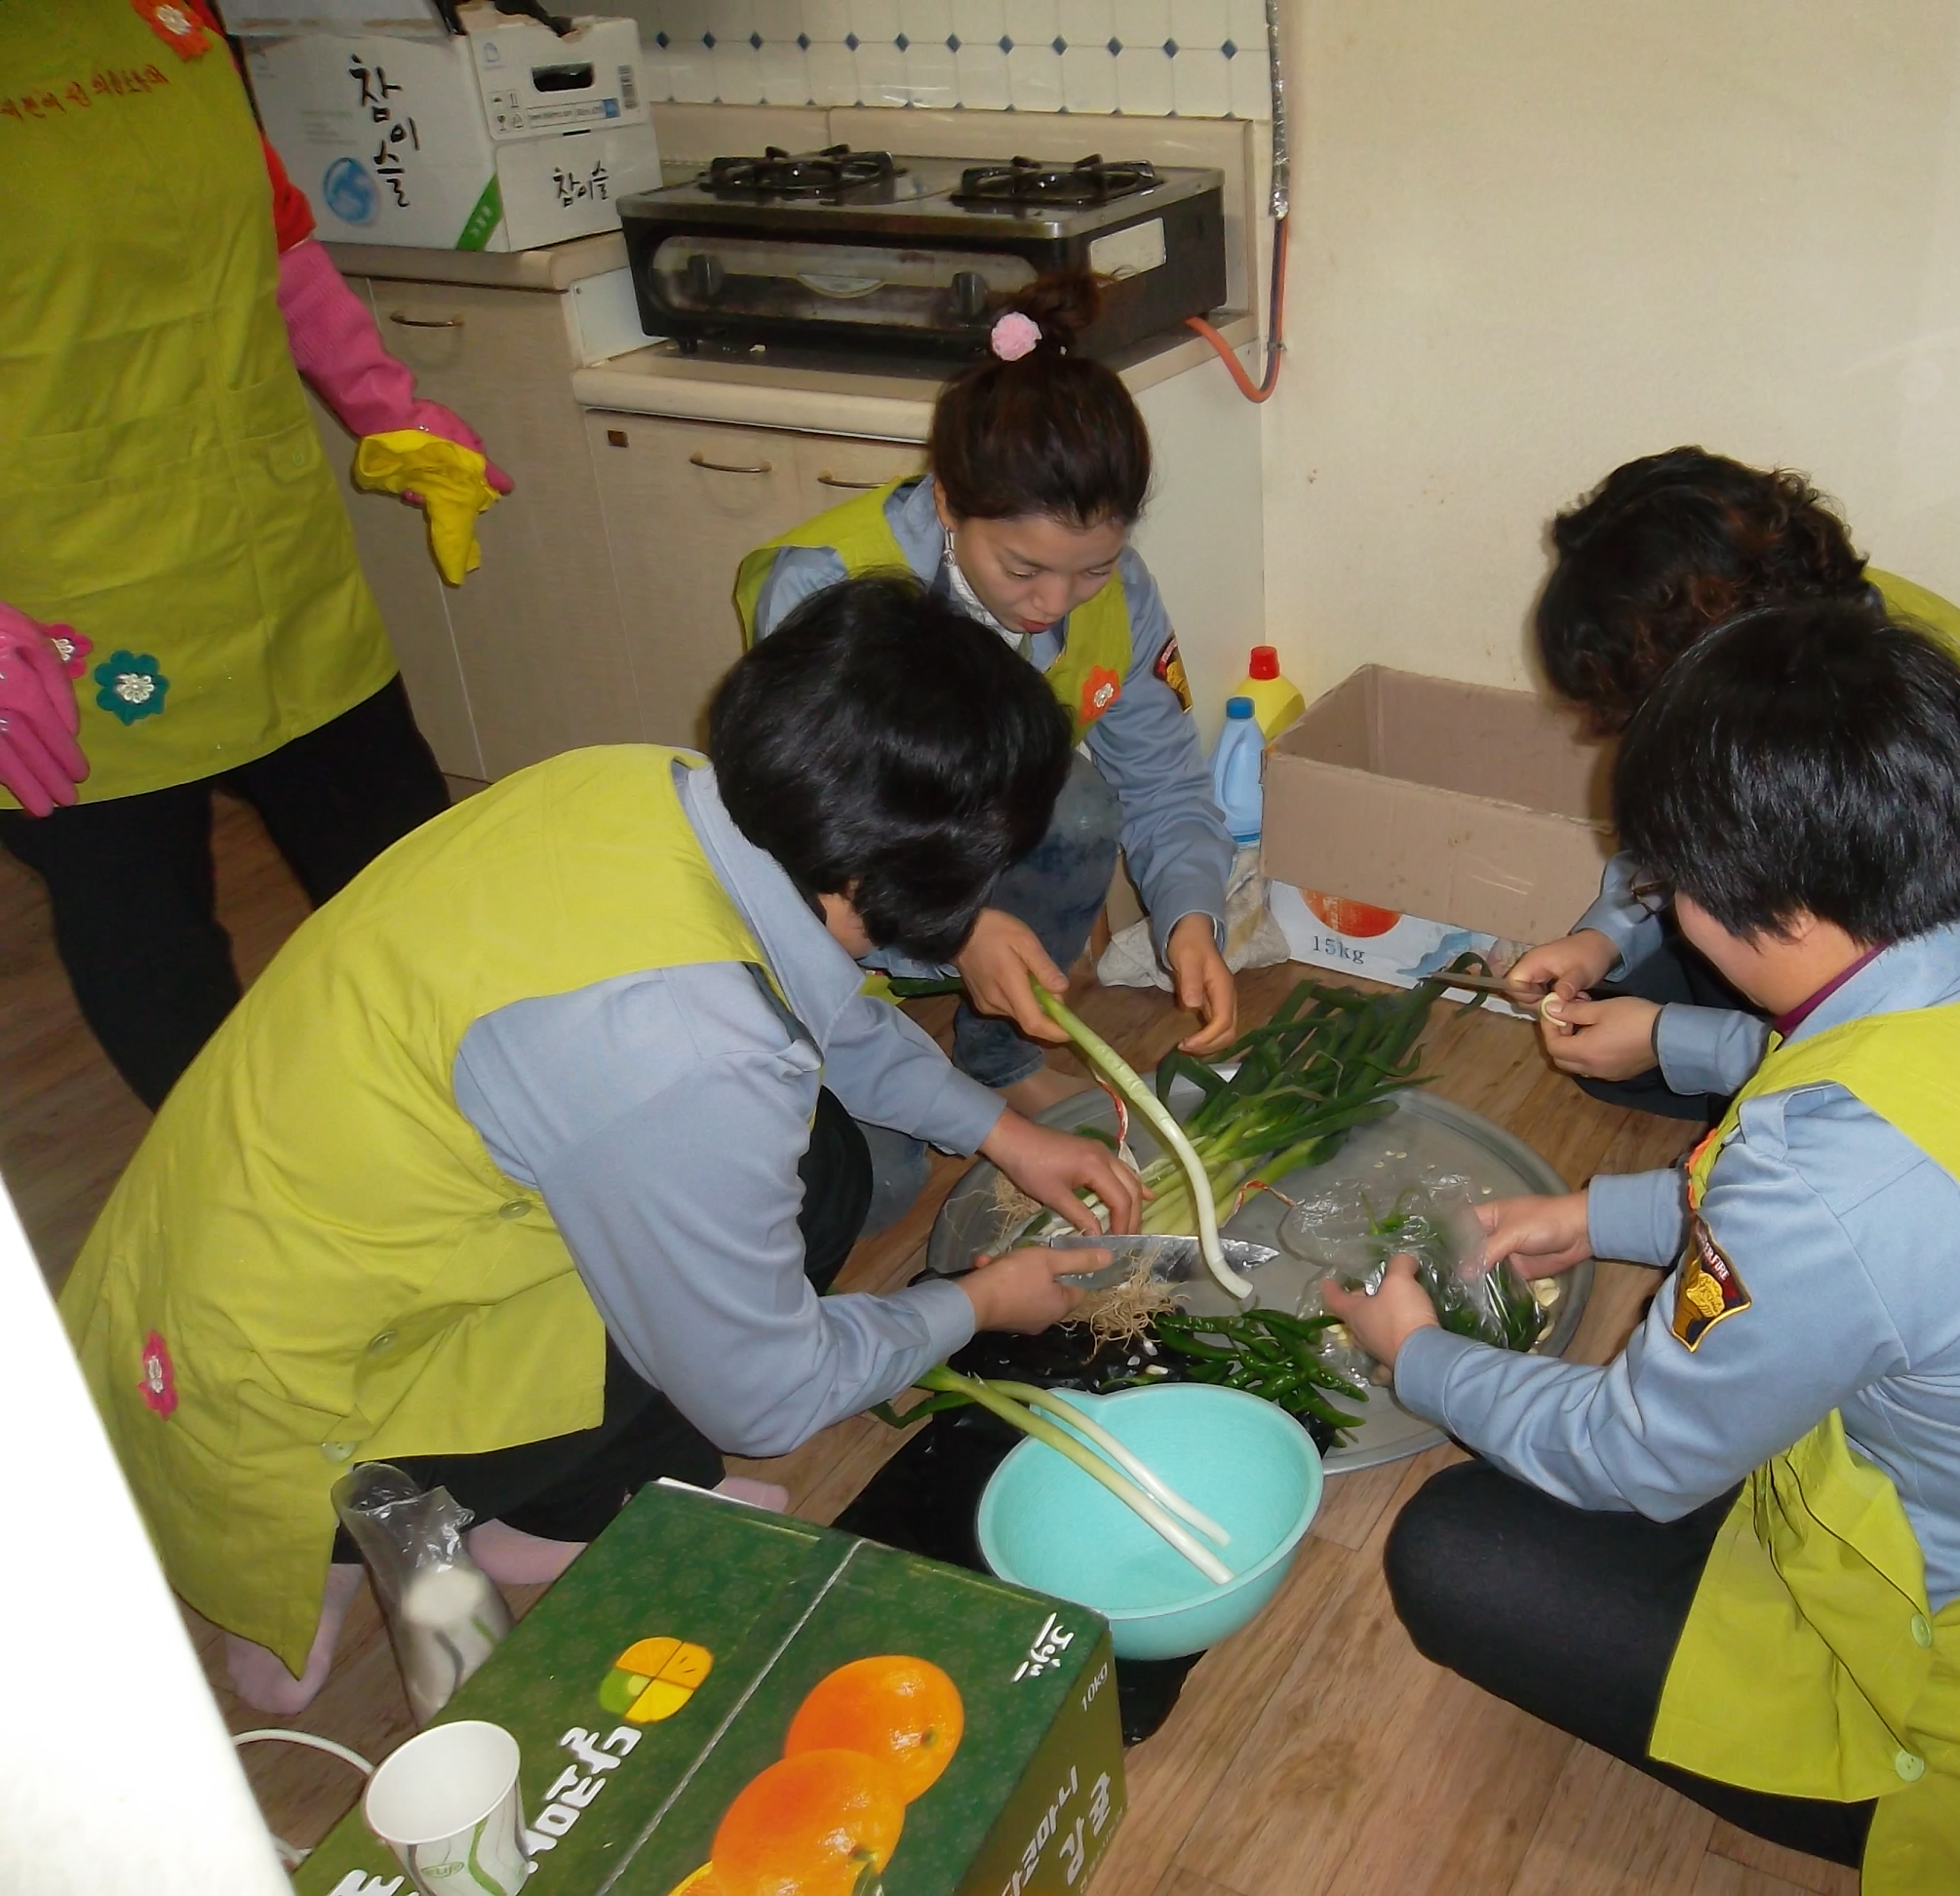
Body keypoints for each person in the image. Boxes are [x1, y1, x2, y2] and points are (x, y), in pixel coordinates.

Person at [1326, 600, 1960, 1895]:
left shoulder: (1826, 1173)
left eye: (1668, 888)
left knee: (1455, 1550)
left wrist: (1421, 1357)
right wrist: (1600, 1216)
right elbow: (1902, 1236)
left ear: (1760, 902)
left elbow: (1638, 1449)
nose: (1669, 916)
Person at [59, 577, 1147, 1718]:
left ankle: (545, 1505)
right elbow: (768, 1399)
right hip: (278, 1398)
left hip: (233, 1259)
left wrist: (1001, 1131)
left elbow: (820, 998)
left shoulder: (651, 788)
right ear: (889, 877)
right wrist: (981, 1301)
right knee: (794, 1194)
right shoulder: (689, 1048)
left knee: (817, 1166)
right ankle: (348, 1532)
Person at [1, 0, 513, 1108]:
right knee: (156, 951)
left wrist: (385, 404)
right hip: (58, 614)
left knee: (415, 886)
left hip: (275, 563)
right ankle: (237, 1185)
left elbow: (274, 241)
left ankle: (496, 1138)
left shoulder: (168, 19)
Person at [1509, 448, 1960, 1123]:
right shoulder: (1810, 612)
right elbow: (1700, 817)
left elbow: (1889, 1019)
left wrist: (1667, 1040)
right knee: (1622, 1009)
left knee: (1675, 1045)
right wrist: (1604, 940)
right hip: (1871, 930)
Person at [735, 275, 1237, 1116]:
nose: (1053, 603)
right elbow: (810, 840)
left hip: (957, 828)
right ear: (946, 502)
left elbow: (1164, 781)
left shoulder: (1119, 593)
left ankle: (998, 1057)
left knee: (1077, 807)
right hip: (830, 876)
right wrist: (960, 932)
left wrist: (1191, 916)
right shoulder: (825, 590)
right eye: (1022, 568)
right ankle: (852, 1027)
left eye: (1092, 569)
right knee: (874, 1166)